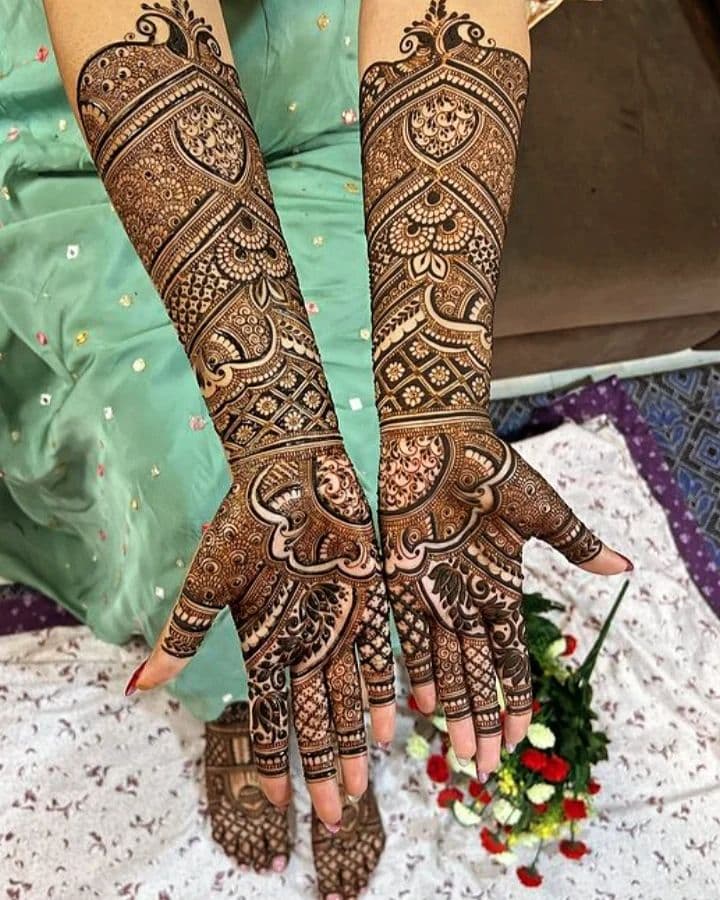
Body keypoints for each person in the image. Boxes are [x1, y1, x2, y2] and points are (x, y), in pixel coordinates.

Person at [1, 1, 625, 897]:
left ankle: (342, 709)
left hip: (340, 85)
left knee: (390, 486)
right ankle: (236, 701)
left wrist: (436, 409)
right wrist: (276, 431)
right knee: (191, 475)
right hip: (79, 123)